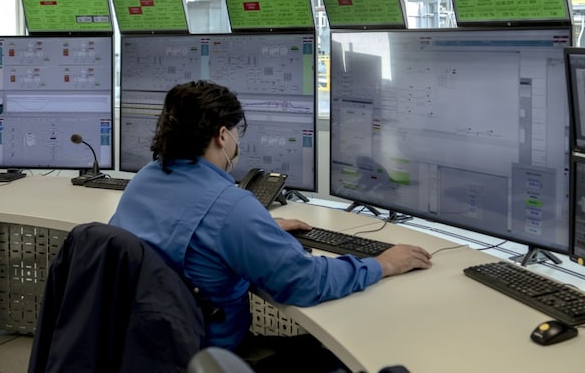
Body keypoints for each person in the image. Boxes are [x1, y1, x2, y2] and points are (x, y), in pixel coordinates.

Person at [109, 80, 432, 370]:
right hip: (207, 355)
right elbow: (304, 282)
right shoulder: (230, 209)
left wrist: (258, 229)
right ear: (223, 135)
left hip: (142, 347)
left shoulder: (145, 179)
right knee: (342, 359)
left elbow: (185, 234)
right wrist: (382, 264)